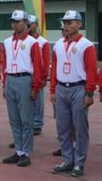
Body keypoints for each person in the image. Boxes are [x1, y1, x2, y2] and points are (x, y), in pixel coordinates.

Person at [50, 10, 97, 177]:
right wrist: (53, 89)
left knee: (80, 128)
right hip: (62, 88)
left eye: (70, 22)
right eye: (65, 22)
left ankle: (79, 163)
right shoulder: (58, 45)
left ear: (79, 24)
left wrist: (89, 92)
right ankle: (68, 159)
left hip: (79, 88)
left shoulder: (86, 45)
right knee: (63, 127)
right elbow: (54, 68)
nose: (67, 25)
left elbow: (91, 70)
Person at [1, 10, 42, 167]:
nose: (15, 24)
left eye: (18, 21)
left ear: (26, 23)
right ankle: (18, 150)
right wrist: (5, 84)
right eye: (13, 21)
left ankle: (26, 152)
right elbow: (5, 64)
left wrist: (35, 87)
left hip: (25, 79)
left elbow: (37, 66)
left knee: (26, 119)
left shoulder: (32, 42)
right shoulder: (7, 42)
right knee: (14, 119)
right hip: (11, 79)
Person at [27, 15, 50, 136]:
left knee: (38, 101)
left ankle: (37, 124)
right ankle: (28, 123)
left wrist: (43, 76)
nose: (28, 27)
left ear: (36, 25)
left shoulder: (42, 42)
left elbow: (45, 61)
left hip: (38, 74)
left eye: (30, 24)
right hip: (26, 74)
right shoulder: (22, 40)